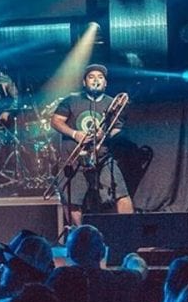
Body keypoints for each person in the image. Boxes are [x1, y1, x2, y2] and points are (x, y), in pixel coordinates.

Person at [50, 64, 134, 226]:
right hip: (74, 158)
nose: (96, 80)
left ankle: (129, 231)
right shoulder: (71, 100)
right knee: (72, 201)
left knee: (121, 195)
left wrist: (105, 135)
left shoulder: (113, 103)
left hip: (102, 158)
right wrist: (75, 134)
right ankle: (82, 234)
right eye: (91, 77)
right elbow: (55, 121)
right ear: (84, 82)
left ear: (105, 83)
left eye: (100, 77)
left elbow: (117, 128)